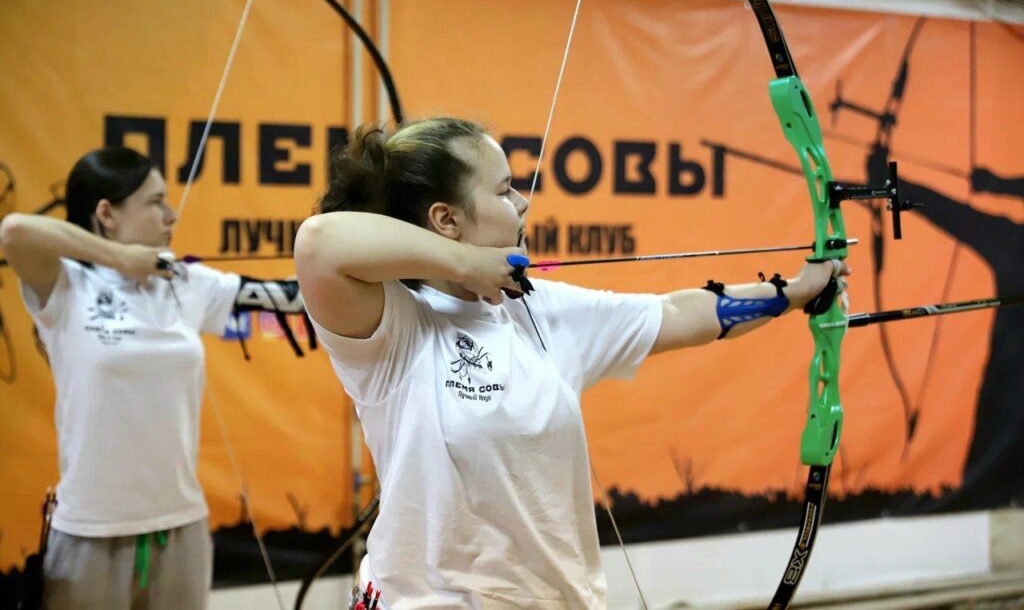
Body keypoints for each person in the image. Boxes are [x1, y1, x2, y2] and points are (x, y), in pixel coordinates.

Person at [294, 118, 849, 608]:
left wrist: (797, 292)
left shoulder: (539, 309)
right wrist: (468, 263)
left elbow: (680, 314)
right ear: (447, 220)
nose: (523, 204)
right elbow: (319, 244)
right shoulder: (394, 325)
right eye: (505, 190)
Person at [1, 146, 306, 610]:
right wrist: (119, 259)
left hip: (181, 526)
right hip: (91, 531)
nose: (171, 213)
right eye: (155, 201)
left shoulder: (185, 281)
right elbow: (15, 230)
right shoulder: (63, 285)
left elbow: (291, 297)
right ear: (106, 213)